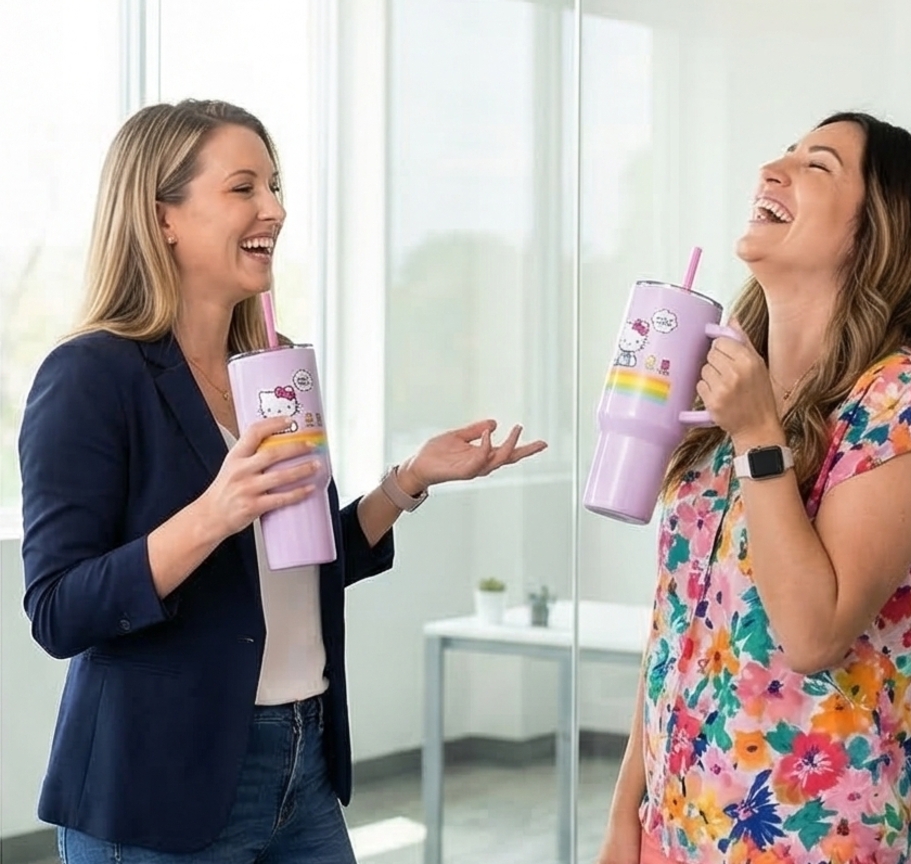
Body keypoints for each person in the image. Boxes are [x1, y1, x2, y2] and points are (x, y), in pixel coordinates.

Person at [19, 99, 547, 864]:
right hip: (160, 788)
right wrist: (214, 512)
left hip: (303, 764)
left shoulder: (274, 365)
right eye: (245, 188)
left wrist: (408, 481)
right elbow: (58, 609)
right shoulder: (91, 375)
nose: (275, 208)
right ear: (163, 215)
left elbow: (297, 560)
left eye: (275, 186)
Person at [597, 112, 911, 864]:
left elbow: (814, 633)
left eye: (818, 165)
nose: (774, 167)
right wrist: (625, 817)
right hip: (675, 833)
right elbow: (676, 629)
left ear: (879, 234)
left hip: (807, 844)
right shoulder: (727, 396)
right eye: (788, 153)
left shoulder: (905, 400)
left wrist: (758, 437)